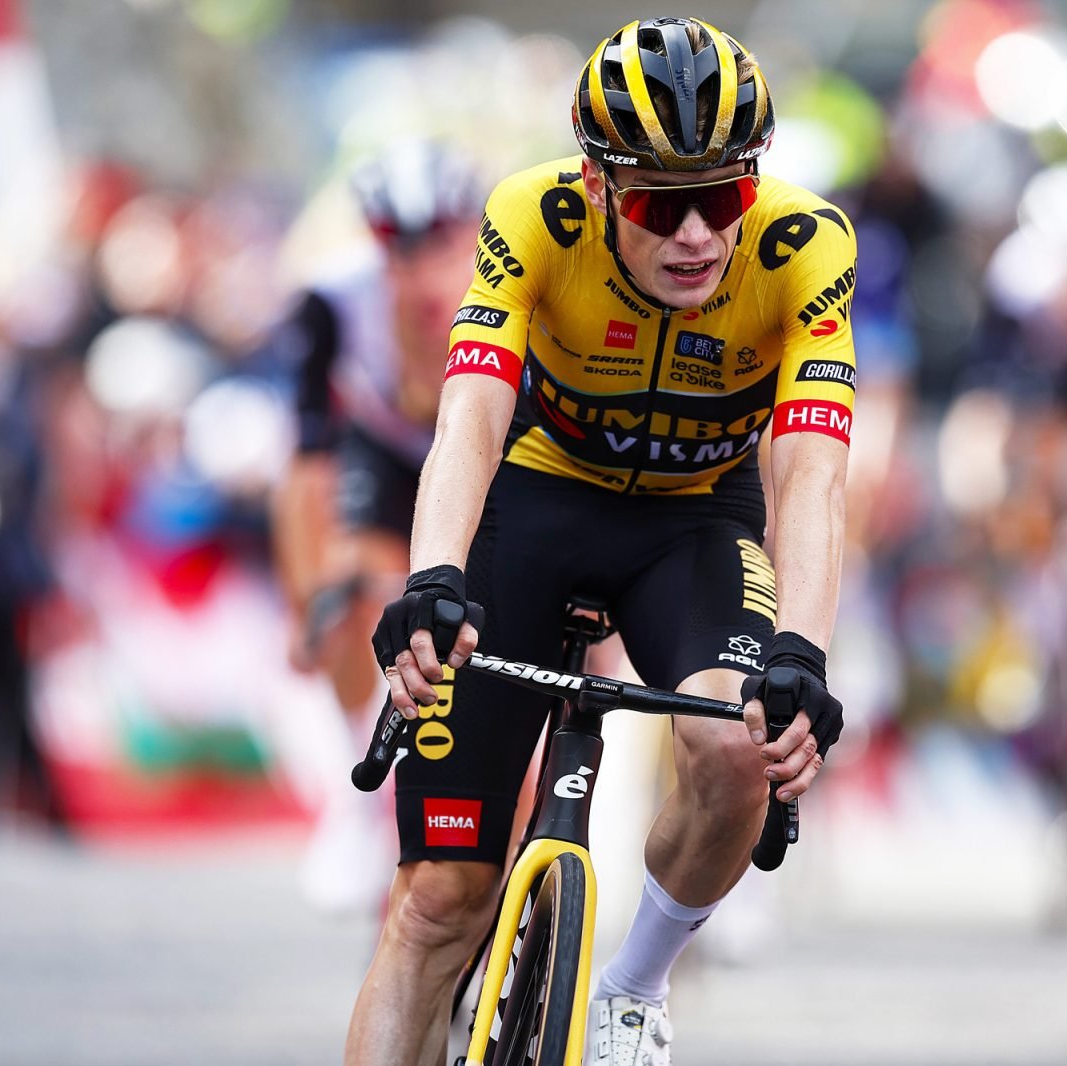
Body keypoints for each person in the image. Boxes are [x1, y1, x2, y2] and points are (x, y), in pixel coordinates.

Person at [344, 17, 854, 1066]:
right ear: (597, 184)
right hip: (538, 500)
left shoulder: (808, 247)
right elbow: (471, 415)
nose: (697, 236)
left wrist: (802, 651)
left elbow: (812, 471)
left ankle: (631, 990)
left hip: (695, 522)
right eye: (663, 205)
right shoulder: (533, 216)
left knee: (737, 743)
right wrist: (434, 574)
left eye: (723, 197)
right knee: (438, 902)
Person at [269, 138, 481, 910]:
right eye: (398, 249)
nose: (420, 271)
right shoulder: (333, 300)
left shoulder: (516, 284)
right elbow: (305, 469)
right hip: (388, 457)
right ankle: (355, 802)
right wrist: (308, 603)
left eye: (440, 245)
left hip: (485, 448)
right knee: (346, 586)